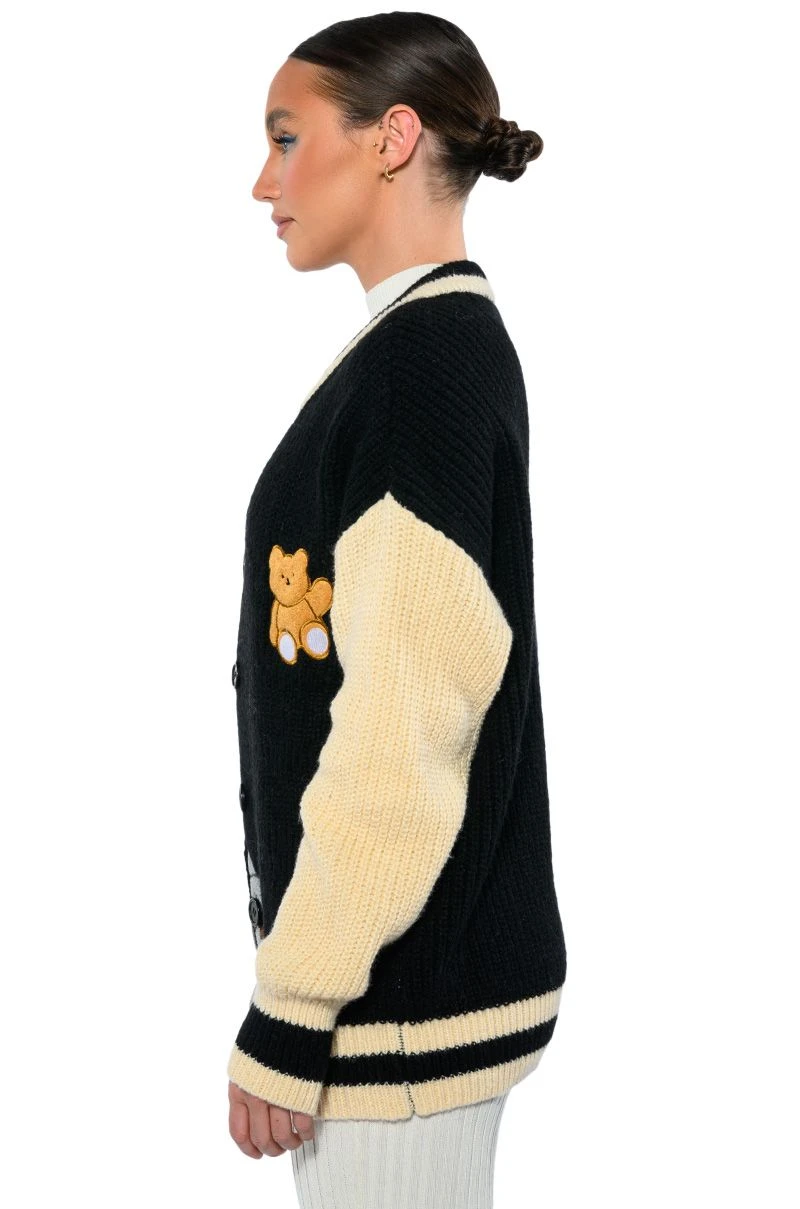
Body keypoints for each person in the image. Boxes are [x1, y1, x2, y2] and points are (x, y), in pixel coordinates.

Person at [225, 13, 567, 1208]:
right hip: (403, 994)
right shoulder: (417, 353)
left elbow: (404, 730)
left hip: (400, 1014)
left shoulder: (422, 372)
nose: (262, 182)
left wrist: (293, 1000)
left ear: (391, 138)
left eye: (286, 138)